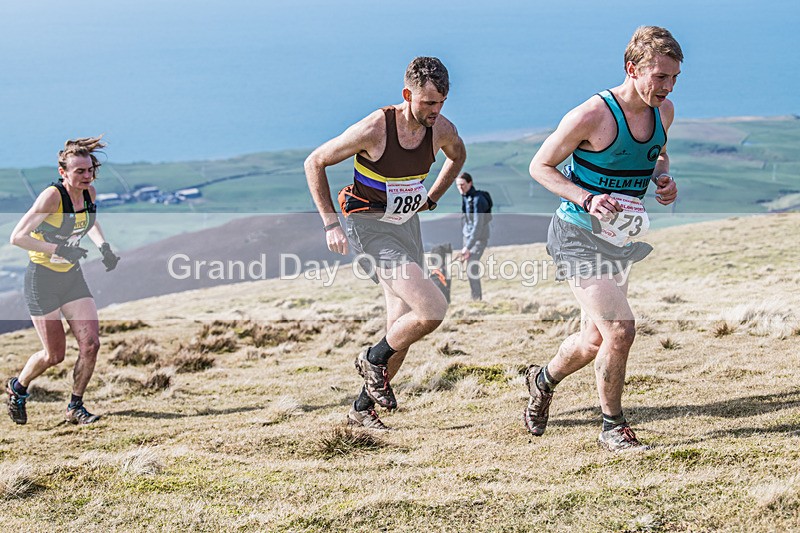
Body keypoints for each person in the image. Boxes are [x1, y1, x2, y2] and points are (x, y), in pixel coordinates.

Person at [523, 26, 682, 452]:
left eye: (673, 78)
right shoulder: (592, 115)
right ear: (632, 69)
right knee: (620, 329)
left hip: (618, 240)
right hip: (576, 234)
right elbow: (540, 166)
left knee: (592, 341)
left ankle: (542, 380)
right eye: (659, 77)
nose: (667, 87)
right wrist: (587, 197)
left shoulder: (663, 112)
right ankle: (613, 427)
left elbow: (658, 155)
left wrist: (663, 179)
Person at [305, 56, 466, 430]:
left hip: (406, 227)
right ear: (408, 95)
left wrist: (432, 197)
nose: (436, 111)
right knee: (431, 309)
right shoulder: (375, 128)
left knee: (401, 328)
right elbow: (315, 162)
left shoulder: (440, 129)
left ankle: (361, 410)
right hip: (371, 228)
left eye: (442, 102)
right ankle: (373, 357)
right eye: (428, 103)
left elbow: (458, 156)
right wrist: (330, 224)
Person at [7, 136, 120, 425]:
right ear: (63, 172)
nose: (87, 176)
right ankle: (18, 387)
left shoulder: (89, 192)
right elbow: (17, 237)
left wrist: (104, 247)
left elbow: (89, 221)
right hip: (41, 280)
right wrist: (59, 249)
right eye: (79, 171)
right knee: (54, 355)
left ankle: (75, 407)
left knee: (91, 344)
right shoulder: (52, 197)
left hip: (71, 277)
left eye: (90, 170)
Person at [455, 172, 492, 300]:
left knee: (472, 266)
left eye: (462, 184)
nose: (460, 188)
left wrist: (468, 246)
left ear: (470, 183)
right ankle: (475, 298)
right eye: (458, 185)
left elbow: (478, 225)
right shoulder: (466, 196)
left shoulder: (478, 200)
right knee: (470, 267)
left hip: (478, 239)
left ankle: (476, 299)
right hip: (468, 237)